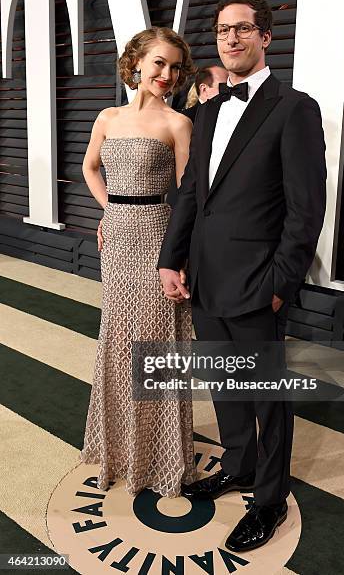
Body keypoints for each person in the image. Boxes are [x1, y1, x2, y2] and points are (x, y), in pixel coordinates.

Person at [158, 0, 327, 550]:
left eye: (242, 29)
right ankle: (240, 465)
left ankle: (270, 499)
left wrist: (281, 285)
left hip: (259, 283)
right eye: (223, 30)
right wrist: (170, 259)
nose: (230, 38)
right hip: (204, 276)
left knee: (265, 397)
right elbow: (190, 195)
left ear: (266, 37)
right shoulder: (206, 110)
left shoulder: (293, 107)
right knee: (227, 387)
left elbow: (306, 210)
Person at [81, 26, 197, 498]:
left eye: (174, 67)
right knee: (119, 341)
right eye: (158, 64)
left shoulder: (178, 124)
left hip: (157, 236)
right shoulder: (106, 117)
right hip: (118, 241)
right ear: (136, 63)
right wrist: (108, 209)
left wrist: (180, 254)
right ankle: (119, 453)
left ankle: (161, 458)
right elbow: (90, 167)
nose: (166, 75)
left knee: (156, 348)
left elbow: (189, 197)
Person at [167, 64, 228, 207]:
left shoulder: (229, 118)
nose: (229, 91)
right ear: (204, 89)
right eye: (224, 86)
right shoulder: (183, 120)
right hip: (184, 204)